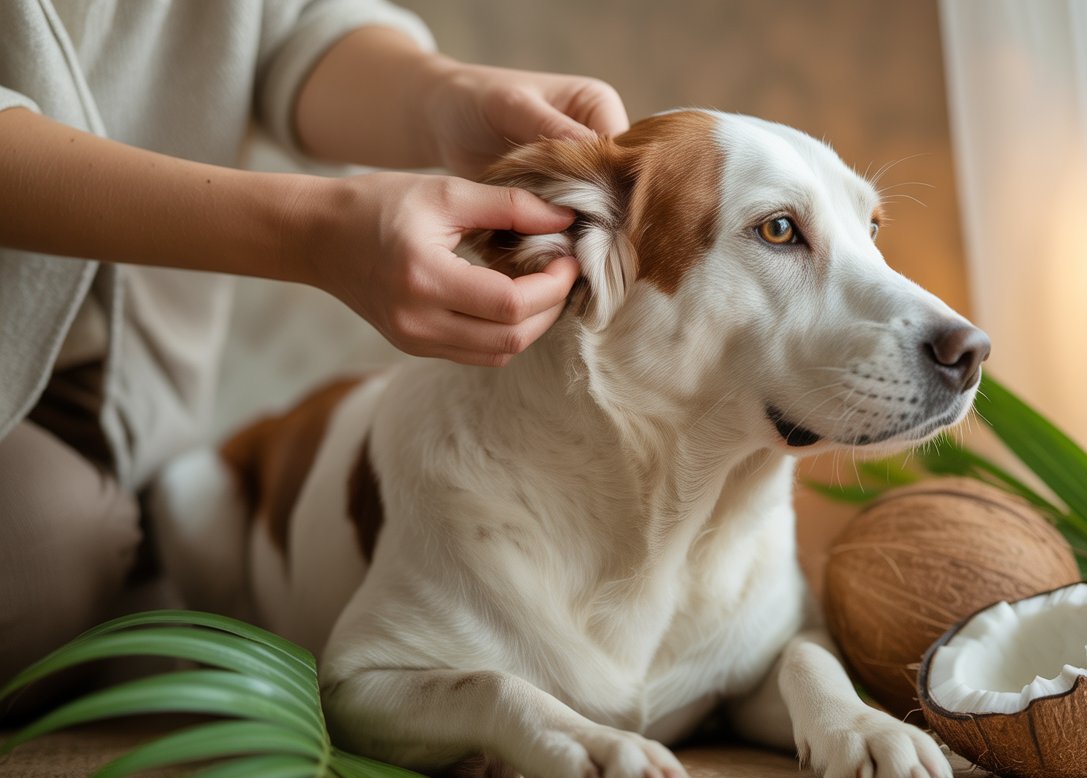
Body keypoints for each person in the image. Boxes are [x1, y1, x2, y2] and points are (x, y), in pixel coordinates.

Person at [0, 0, 629, 698]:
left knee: (75, 549)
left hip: (114, 393)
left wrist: (445, 96)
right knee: (47, 558)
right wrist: (308, 231)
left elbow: (285, 23)